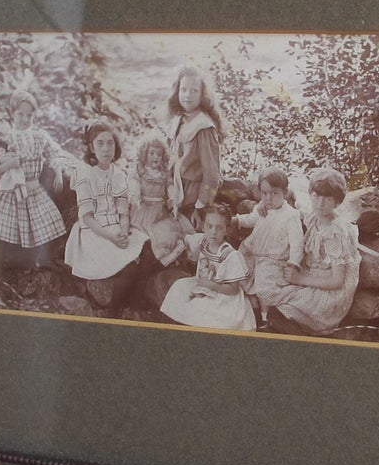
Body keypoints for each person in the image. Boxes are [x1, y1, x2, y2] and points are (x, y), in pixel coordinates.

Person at [0, 89, 68, 285]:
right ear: (12, 113)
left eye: (29, 115)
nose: (24, 119)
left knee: (48, 220)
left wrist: (57, 171)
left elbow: (55, 152)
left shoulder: (39, 137)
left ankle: (43, 259)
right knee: (5, 228)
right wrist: (6, 165)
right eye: (20, 114)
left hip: (34, 187)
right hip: (11, 191)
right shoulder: (5, 138)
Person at [267, 167, 361, 336]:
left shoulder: (335, 233)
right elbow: (298, 196)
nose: (320, 203)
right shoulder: (313, 214)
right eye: (316, 196)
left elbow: (337, 281)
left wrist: (300, 279)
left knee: (277, 314)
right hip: (313, 274)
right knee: (268, 287)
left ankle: (306, 339)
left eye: (328, 199)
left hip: (329, 292)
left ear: (337, 202)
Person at [62, 121, 147, 300]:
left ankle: (132, 306)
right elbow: (88, 218)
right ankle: (115, 312)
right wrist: (112, 237)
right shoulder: (86, 174)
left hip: (116, 226)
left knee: (147, 250)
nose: (106, 148)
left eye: (110, 143)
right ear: (92, 148)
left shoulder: (118, 175)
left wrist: (123, 232)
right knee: (129, 266)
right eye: (100, 143)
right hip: (95, 232)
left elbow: (123, 212)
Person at [160, 203, 256, 332]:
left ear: (227, 230)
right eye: (209, 226)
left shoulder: (230, 255)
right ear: (203, 227)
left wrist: (212, 285)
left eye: (219, 228)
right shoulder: (202, 241)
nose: (213, 232)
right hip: (203, 283)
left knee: (208, 310)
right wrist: (175, 236)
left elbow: (233, 289)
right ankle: (178, 320)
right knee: (179, 287)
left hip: (222, 292)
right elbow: (187, 238)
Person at [235, 167, 304, 326]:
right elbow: (251, 219)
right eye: (264, 193)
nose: (268, 198)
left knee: (264, 285)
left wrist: (293, 263)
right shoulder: (262, 207)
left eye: (274, 193)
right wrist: (236, 220)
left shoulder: (290, 216)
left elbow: (297, 243)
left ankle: (264, 318)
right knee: (238, 271)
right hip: (252, 251)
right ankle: (252, 303)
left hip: (273, 258)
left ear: (285, 193)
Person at [163, 66, 224, 226]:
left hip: (193, 199)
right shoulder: (179, 120)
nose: (187, 95)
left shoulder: (204, 128)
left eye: (194, 91)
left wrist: (200, 207)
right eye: (183, 90)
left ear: (202, 94)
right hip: (174, 190)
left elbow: (211, 175)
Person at [128, 129, 173, 233]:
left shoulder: (164, 174)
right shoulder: (141, 171)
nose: (155, 157)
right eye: (151, 153)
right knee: (142, 231)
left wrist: (172, 198)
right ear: (144, 154)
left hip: (159, 211)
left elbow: (170, 186)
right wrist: (135, 196)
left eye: (159, 154)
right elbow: (134, 184)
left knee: (161, 231)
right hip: (142, 209)